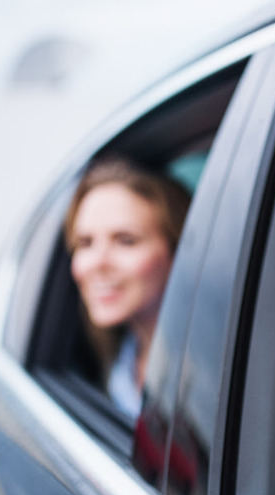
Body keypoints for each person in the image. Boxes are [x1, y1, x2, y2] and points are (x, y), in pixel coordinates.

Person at [64, 157, 190, 418]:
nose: (97, 263)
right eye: (85, 243)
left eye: (126, 240)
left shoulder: (216, 371)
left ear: (178, 252)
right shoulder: (120, 356)